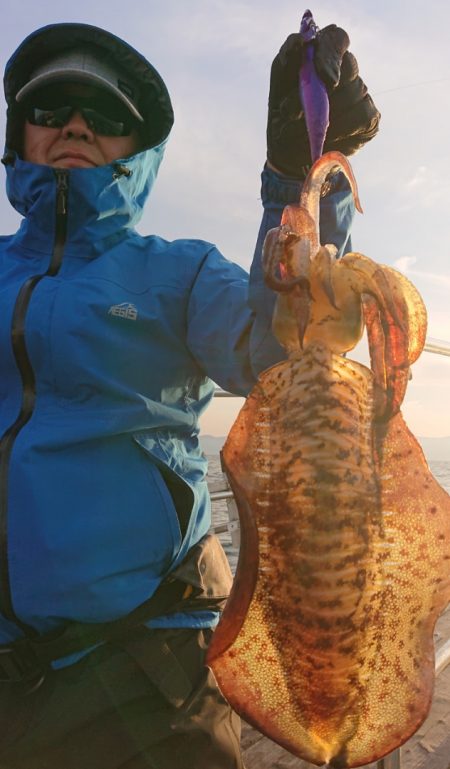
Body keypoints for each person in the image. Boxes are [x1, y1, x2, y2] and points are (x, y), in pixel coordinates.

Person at [0, 20, 379, 769]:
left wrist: (297, 176)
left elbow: (284, 343)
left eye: (103, 117)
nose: (75, 125)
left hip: (147, 670)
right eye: (51, 109)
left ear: (135, 150)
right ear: (19, 134)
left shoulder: (177, 272)